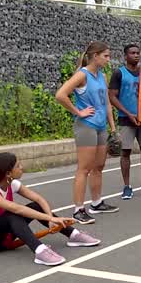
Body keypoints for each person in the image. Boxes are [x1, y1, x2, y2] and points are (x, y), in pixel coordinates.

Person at [0, 152, 99, 265]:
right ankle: (40, 251)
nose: (22, 167)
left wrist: (51, 219)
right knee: (11, 215)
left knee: (35, 207)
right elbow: (17, 209)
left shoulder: (12, 184)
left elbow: (38, 200)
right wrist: (50, 218)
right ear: (8, 173)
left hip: (1, 237)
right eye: (18, 166)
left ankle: (73, 235)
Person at [54, 41, 120, 225]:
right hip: (86, 125)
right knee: (84, 169)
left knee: (99, 166)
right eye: (106, 56)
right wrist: (78, 111)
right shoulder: (81, 75)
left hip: (100, 126)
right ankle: (78, 210)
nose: (109, 59)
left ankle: (96, 203)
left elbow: (106, 102)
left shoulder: (102, 76)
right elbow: (60, 95)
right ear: (95, 55)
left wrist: (112, 127)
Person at [108, 44, 141, 200]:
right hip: (126, 119)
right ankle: (127, 186)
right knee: (125, 152)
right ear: (125, 56)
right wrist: (127, 113)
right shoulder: (119, 74)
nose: (136, 55)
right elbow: (112, 96)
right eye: (132, 53)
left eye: (138, 53)